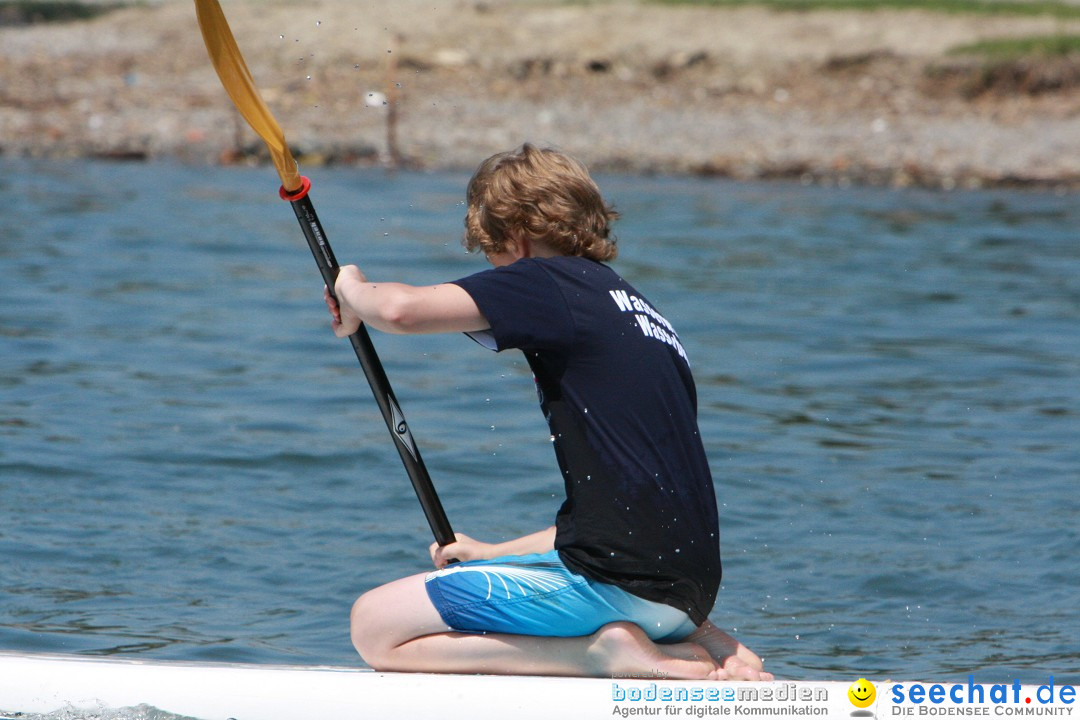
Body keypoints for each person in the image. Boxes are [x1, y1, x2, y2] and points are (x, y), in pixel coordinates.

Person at [324, 144, 772, 681]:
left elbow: (398, 310)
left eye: (491, 255)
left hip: (617, 586)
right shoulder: (642, 312)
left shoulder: (545, 281)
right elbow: (625, 503)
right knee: (497, 582)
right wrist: (492, 553)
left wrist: (348, 286)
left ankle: (597, 655)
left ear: (515, 238)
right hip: (687, 591)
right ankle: (701, 642)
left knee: (374, 627)